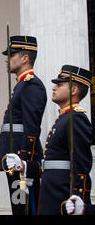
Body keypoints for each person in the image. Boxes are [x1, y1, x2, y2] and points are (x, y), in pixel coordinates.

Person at [0, 36, 47, 215]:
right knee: (19, 210)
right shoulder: (22, 85)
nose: (7, 59)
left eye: (12, 54)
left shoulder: (31, 85)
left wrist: (25, 161)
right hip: (15, 157)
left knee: (26, 211)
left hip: (20, 159)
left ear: (24, 58)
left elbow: (32, 129)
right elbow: (15, 128)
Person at [6, 65, 93, 215]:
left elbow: (81, 163)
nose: (54, 88)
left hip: (62, 194)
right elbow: (52, 163)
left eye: (59, 85)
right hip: (52, 192)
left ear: (73, 90)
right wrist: (25, 166)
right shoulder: (64, 118)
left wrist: (78, 199)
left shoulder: (76, 119)